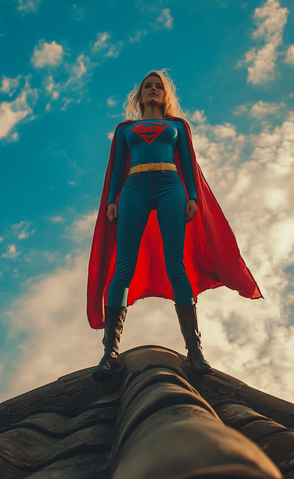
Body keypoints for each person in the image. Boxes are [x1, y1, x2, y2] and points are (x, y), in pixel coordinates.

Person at [87, 70, 262, 380]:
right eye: (147, 87)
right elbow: (116, 168)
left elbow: (187, 162)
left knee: (175, 266)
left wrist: (193, 196)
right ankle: (110, 353)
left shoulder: (177, 126)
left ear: (164, 95)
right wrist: (112, 199)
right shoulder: (125, 129)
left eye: (158, 87)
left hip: (171, 185)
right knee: (123, 267)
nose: (153, 90)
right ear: (139, 95)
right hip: (133, 188)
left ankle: (195, 353)